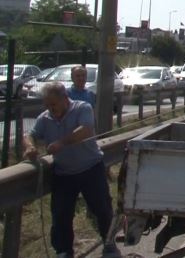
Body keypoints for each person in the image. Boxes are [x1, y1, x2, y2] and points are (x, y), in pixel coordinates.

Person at [23, 82, 117, 258]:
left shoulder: (82, 108)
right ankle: (64, 251)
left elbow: (86, 130)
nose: (51, 108)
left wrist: (62, 142)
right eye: (47, 105)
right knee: (61, 215)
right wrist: (30, 147)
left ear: (65, 99)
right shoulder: (45, 118)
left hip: (90, 169)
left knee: (102, 209)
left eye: (54, 104)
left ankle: (110, 244)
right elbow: (30, 135)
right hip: (64, 174)